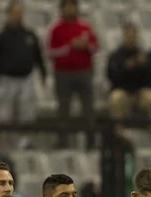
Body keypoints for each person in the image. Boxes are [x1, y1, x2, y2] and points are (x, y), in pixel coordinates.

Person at [0, 0, 47, 127]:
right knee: (4, 115)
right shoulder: (1, 35)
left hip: (26, 79)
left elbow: (38, 56)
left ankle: (24, 143)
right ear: (8, 14)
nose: (17, 15)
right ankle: (2, 142)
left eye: (20, 13)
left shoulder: (29, 34)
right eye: (14, 13)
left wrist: (43, 72)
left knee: (26, 115)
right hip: (5, 79)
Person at [47, 0, 99, 143]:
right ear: (62, 9)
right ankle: (63, 141)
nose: (70, 9)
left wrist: (86, 45)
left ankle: (91, 141)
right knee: (64, 109)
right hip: (64, 74)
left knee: (88, 108)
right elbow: (51, 52)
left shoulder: (85, 27)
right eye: (67, 6)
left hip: (84, 72)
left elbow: (95, 48)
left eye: (73, 6)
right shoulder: (56, 29)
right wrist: (68, 47)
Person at [106, 23, 151, 121]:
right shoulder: (116, 56)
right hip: (122, 92)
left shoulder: (143, 55)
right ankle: (118, 132)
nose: (131, 38)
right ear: (124, 36)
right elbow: (112, 78)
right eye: (129, 36)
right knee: (115, 99)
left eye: (134, 36)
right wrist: (126, 68)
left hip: (139, 93)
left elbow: (150, 79)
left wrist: (144, 67)